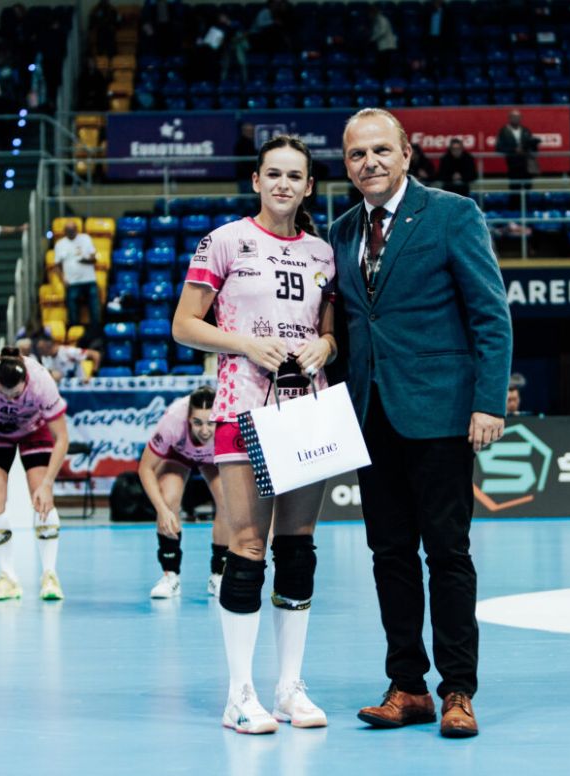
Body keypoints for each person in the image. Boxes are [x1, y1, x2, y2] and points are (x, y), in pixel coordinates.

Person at [330, 108, 512, 738]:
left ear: (406, 153)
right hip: (369, 413)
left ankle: (458, 688)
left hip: (440, 411)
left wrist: (490, 402)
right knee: (389, 555)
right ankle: (407, 685)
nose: (370, 163)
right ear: (346, 164)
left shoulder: (453, 214)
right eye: (357, 154)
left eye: (381, 150)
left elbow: (491, 313)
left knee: (448, 553)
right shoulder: (341, 230)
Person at [173, 135, 337, 734]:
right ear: (256, 180)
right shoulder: (224, 241)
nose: (283, 184)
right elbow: (183, 325)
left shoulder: (322, 252)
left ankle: (289, 687)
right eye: (274, 174)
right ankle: (239, 694)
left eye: (295, 176)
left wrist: (326, 346)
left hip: (305, 411)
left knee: (298, 548)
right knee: (246, 547)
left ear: (309, 186)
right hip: (242, 408)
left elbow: (330, 332)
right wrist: (244, 343)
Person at [0, 348, 69, 602]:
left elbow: (62, 437)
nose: (10, 400)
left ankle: (49, 575)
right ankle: (8, 577)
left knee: (42, 499)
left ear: (25, 382)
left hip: (34, 430)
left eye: (16, 395)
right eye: (3, 394)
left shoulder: (41, 381)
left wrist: (47, 483)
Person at [138, 386, 229, 599]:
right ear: (188, 418)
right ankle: (170, 576)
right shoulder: (173, 421)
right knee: (168, 499)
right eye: (197, 423)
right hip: (178, 455)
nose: (204, 430)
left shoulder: (229, 420)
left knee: (228, 501)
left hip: (214, 457)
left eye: (210, 423)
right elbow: (145, 468)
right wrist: (162, 510)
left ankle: (219, 574)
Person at [53, 221, 101, 329]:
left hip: (89, 280)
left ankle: (96, 330)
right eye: (69, 230)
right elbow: (56, 266)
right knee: (72, 308)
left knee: (94, 306)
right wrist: (62, 279)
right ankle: (74, 331)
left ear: (77, 229)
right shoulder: (60, 244)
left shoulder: (86, 238)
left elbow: (94, 259)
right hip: (72, 282)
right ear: (64, 231)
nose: (71, 232)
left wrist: (87, 260)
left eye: (73, 229)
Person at [32, 329, 101, 383]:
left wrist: (92, 376)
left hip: (78, 388)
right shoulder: (45, 359)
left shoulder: (68, 352)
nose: (39, 352)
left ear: (48, 345)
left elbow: (96, 355)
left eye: (41, 349)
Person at [496, 110, 539, 192]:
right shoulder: (504, 131)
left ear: (521, 118)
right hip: (513, 165)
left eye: (518, 117)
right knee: (515, 189)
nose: (516, 119)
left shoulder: (525, 130)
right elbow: (499, 147)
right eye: (514, 117)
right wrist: (513, 150)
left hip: (526, 164)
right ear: (509, 118)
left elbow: (532, 146)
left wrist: (532, 145)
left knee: (527, 188)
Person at [368, 4, 398, 80]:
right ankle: (382, 78)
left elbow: (382, 31)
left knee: (385, 63)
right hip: (382, 46)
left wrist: (372, 39)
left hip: (387, 45)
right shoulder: (376, 20)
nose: (369, 15)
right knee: (382, 63)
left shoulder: (382, 19)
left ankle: (385, 79)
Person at [234, 123, 257, 194]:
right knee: (246, 197)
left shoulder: (255, 143)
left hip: (254, 175)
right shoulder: (240, 144)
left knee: (254, 197)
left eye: (251, 131)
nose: (250, 133)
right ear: (243, 132)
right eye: (248, 131)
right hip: (245, 176)